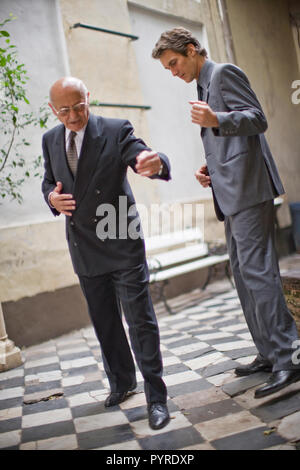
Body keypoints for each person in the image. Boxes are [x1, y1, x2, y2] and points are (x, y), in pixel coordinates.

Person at [152, 27, 300, 399]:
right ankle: (269, 353)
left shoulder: (223, 73)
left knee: (259, 273)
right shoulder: (202, 86)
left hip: (249, 193)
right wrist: (211, 170)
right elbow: (232, 141)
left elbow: (257, 119)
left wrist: (216, 119)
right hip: (232, 193)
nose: (173, 72)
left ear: (190, 50)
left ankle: (289, 358)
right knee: (243, 274)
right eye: (168, 68)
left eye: (174, 63)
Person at [41, 76, 170, 429]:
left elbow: (140, 153)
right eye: (64, 110)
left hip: (120, 235)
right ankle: (122, 381)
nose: (72, 116)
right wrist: (51, 197)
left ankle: (156, 398)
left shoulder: (115, 129)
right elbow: (48, 180)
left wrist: (154, 164)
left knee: (140, 321)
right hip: (83, 244)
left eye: (78, 106)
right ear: (53, 110)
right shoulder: (51, 139)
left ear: (88, 98)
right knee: (105, 322)